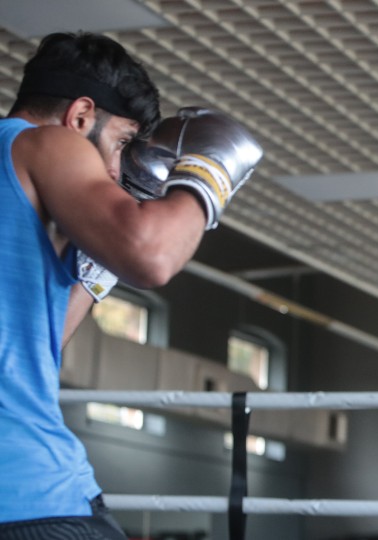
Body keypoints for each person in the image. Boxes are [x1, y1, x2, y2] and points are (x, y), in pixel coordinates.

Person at [0, 32, 261, 538]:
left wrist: (97, 261)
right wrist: (210, 170)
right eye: (120, 141)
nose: (117, 168)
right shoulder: (46, 142)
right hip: (30, 491)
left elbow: (35, 345)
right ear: (80, 116)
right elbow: (153, 255)